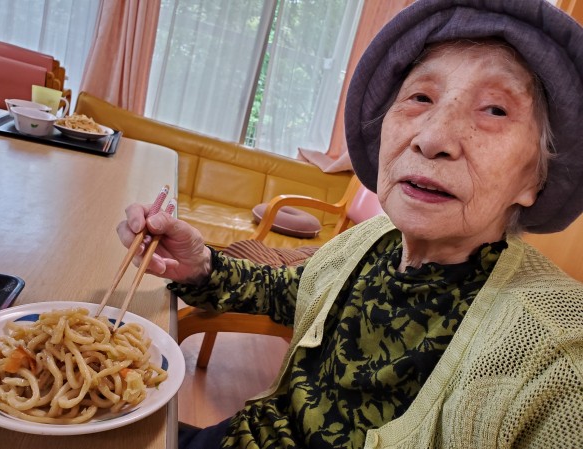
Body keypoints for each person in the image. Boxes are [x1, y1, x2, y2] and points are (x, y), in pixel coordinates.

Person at [117, 0, 583, 447]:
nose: (433, 138)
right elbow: (291, 292)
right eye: (420, 97)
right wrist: (200, 265)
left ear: (535, 179)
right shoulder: (371, 239)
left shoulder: (557, 357)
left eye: (495, 109)